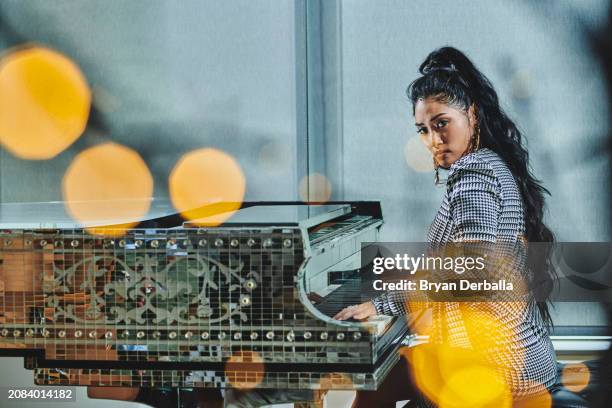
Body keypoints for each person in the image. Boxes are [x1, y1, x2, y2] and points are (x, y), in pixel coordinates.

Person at [334, 46, 558, 407]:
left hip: (498, 371)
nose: (432, 141)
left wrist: (384, 303)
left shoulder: (473, 174)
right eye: (423, 130)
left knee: (375, 388)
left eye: (441, 124)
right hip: (521, 361)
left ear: (471, 114)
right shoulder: (491, 164)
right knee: (384, 380)